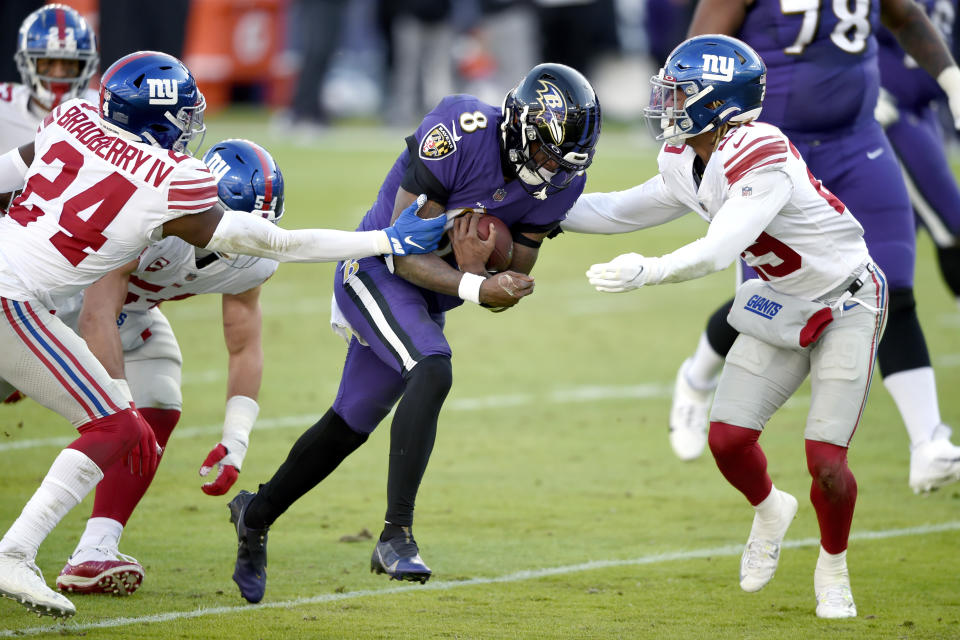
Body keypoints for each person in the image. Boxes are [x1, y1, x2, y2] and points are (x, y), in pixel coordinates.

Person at [0, 50, 445, 619]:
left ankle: (75, 549)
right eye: (184, 116)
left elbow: (11, 170)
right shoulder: (168, 180)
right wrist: (386, 240)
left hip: (30, 291)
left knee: (126, 418)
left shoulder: (72, 118)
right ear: (156, 118)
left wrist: (236, 436)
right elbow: (284, 243)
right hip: (20, 301)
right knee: (114, 423)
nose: (192, 129)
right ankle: (15, 552)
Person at [226, 62, 601, 604]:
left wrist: (489, 280)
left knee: (349, 423)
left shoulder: (559, 185)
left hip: (429, 292)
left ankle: (255, 514)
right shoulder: (461, 131)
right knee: (433, 366)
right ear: (521, 128)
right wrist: (473, 282)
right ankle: (395, 535)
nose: (553, 169)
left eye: (566, 158)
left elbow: (509, 276)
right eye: (546, 153)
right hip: (375, 269)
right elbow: (400, 249)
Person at [567, 34, 886, 619]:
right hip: (781, 300)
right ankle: (770, 509)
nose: (666, 102)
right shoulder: (688, 158)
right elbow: (613, 210)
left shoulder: (760, 151)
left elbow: (719, 252)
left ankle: (833, 566)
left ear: (717, 101)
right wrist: (527, 202)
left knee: (827, 462)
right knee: (728, 441)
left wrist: (650, 270)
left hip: (845, 303)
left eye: (680, 92)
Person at [664, 0, 960, 495]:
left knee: (889, 284)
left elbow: (903, 15)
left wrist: (950, 77)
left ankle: (928, 442)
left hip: (857, 140)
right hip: (772, 150)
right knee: (772, 307)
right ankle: (696, 378)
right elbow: (696, 52)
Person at [50, 139, 286, 596]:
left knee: (159, 395)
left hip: (122, 311)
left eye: (262, 225)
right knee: (120, 419)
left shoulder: (255, 260)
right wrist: (119, 409)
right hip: (46, 293)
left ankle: (95, 549)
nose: (252, 236)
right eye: (241, 223)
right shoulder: (155, 212)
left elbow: (243, 346)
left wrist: (235, 440)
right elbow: (94, 312)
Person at [876, 0, 960, 309]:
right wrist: (865, 90)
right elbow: (841, 38)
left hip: (926, 112)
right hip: (891, 113)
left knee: (899, 241)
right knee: (951, 224)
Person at [0, 4, 99, 217]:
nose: (58, 73)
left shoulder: (102, 112)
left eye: (70, 64)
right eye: (47, 62)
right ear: (27, 62)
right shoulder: (3, 104)